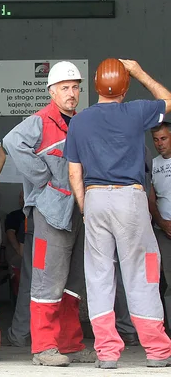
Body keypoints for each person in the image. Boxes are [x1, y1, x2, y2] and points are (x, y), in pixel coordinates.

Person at [66, 58, 171, 368]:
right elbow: (168, 100)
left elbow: (74, 173)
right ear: (124, 88)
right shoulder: (136, 111)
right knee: (143, 272)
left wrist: (86, 208)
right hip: (132, 200)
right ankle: (157, 350)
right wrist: (139, 71)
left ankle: (108, 353)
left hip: (95, 198)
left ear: (95, 86)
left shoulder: (79, 121)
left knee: (98, 276)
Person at [2, 61, 96, 366]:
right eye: (65, 88)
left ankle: (70, 344)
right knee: (46, 281)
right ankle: (43, 347)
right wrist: (42, 179)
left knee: (72, 283)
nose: (71, 93)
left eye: (75, 87)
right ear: (52, 91)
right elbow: (11, 142)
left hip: (77, 214)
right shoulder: (40, 121)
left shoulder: (80, 123)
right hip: (50, 214)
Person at [149, 122, 171, 330]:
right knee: (167, 281)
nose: (159, 144)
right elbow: (151, 199)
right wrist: (162, 223)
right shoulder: (154, 164)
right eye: (156, 140)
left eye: (163, 138)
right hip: (164, 230)